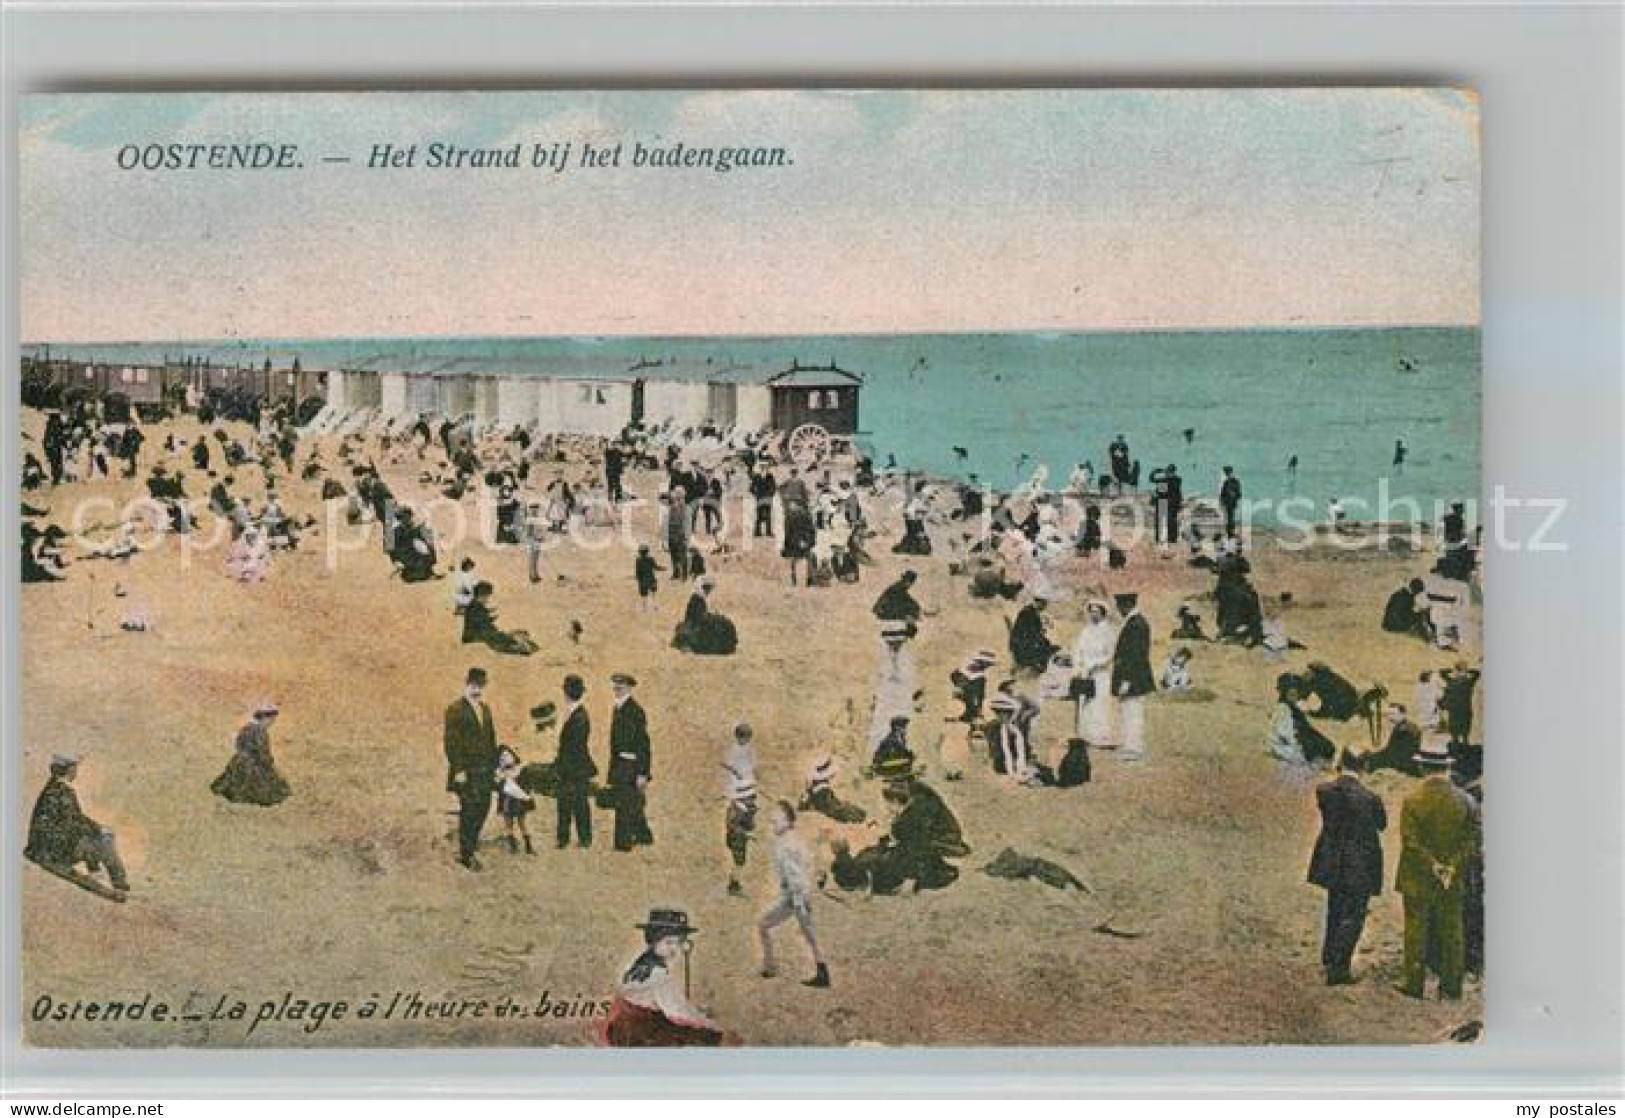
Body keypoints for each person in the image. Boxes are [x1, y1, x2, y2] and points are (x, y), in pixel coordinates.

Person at [1396, 740, 1479, 1000]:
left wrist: (1433, 865)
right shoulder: (1465, 801)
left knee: (1416, 930)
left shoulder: (1412, 800)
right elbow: (1473, 841)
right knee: (1453, 929)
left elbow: (1410, 842)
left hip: (1418, 876)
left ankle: (1414, 983)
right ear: (1446, 767)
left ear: (1422, 767)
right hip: (1453, 877)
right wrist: (1451, 866)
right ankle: (1451, 987)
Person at [832, 756, 970, 894]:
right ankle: (853, 870)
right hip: (927, 843)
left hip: (934, 847)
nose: (888, 785)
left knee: (881, 862)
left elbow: (910, 837)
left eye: (889, 781)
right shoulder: (917, 791)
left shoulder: (919, 803)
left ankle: (855, 874)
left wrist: (889, 837)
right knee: (874, 855)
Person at [1307, 762, 1387, 985]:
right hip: (1359, 863)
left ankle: (1329, 955)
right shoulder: (1370, 799)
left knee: (1334, 908)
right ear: (1364, 768)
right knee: (1353, 915)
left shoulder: (1325, 791)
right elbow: (1382, 824)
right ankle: (1339, 967)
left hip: (1332, 861)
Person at [603, 909, 728, 1047]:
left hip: (621, 1029)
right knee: (710, 1035)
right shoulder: (658, 975)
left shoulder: (637, 965)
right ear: (654, 941)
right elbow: (677, 1013)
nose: (674, 948)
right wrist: (707, 1022)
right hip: (642, 1036)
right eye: (668, 942)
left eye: (678, 942)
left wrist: (695, 1009)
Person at [24, 753, 130, 896]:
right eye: (75, 768)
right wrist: (99, 830)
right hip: (53, 851)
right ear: (70, 770)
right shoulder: (62, 791)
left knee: (97, 837)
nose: (76, 772)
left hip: (45, 846)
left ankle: (102, 874)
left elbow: (73, 819)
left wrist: (96, 829)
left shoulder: (53, 787)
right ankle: (118, 883)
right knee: (104, 840)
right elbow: (74, 822)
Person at [757, 801, 830, 988]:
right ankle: (770, 966)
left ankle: (822, 973)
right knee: (765, 925)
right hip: (794, 895)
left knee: (808, 933)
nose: (773, 820)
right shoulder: (790, 840)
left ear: (789, 821)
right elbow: (809, 862)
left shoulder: (787, 845)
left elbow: (795, 875)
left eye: (778, 818)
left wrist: (799, 900)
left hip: (796, 896)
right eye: (773, 819)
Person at [444, 667, 499, 871]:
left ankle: (471, 844)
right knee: (469, 810)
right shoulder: (455, 709)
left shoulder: (485, 709)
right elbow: (451, 742)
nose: (478, 689)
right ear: (467, 684)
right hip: (466, 771)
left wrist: (496, 766)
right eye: (474, 685)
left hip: (485, 771)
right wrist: (458, 769)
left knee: (484, 807)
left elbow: (492, 739)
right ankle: (466, 854)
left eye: (481, 686)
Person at [210, 701, 290, 806]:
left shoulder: (246, 728)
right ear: (265, 718)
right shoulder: (261, 731)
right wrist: (268, 763)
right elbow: (263, 752)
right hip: (255, 765)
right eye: (272, 720)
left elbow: (238, 744)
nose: (272, 723)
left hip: (238, 762)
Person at [608, 673, 654, 852]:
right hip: (620, 763)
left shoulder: (635, 710)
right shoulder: (618, 708)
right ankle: (643, 835)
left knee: (625, 802)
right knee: (630, 800)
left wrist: (643, 772)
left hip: (631, 765)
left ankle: (623, 842)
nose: (617, 689)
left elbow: (644, 744)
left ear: (629, 688)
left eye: (621, 686)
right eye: (615, 686)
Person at [553, 674, 596, 849]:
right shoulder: (576, 713)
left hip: (574, 768)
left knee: (575, 803)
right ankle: (570, 838)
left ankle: (580, 839)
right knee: (570, 803)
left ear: (567, 693)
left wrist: (561, 765)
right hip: (574, 766)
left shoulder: (579, 716)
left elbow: (573, 747)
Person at [1110, 593, 1154, 761]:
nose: (1118, 610)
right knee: (1129, 712)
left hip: (1133, 678)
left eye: (1119, 607)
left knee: (1132, 713)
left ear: (1125, 605)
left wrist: (1126, 681)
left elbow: (1134, 656)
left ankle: (1134, 748)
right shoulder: (1135, 622)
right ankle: (1130, 745)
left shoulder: (1136, 624)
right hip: (1133, 677)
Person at [1071, 599, 1117, 744]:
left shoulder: (1108, 631)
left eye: (1096, 611)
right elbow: (1077, 650)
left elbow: (1110, 655)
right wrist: (1078, 666)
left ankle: (1100, 736)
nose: (1093, 614)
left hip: (1100, 674)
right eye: (1091, 611)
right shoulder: (1086, 631)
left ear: (1103, 613)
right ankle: (1084, 735)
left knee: (1099, 704)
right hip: (1084, 672)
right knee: (1084, 703)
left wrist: (1094, 664)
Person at [721, 723, 759, 896]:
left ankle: (735, 881)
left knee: (740, 857)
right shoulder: (733, 751)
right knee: (739, 859)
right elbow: (726, 763)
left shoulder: (749, 751)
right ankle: (734, 884)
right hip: (738, 825)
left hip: (741, 789)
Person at [1268, 679, 1337, 767]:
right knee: (1312, 751)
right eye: (1291, 694)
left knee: (1328, 747)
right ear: (1284, 693)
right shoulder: (1283, 709)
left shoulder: (1292, 705)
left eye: (1296, 694)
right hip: (1288, 741)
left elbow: (1305, 725)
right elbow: (1285, 734)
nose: (1295, 697)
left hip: (1298, 734)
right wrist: (1300, 746)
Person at [1341, 704, 1423, 777]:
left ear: (1402, 714)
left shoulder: (1403, 729)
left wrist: (1373, 755)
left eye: (1393, 714)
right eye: (1389, 714)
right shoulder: (1411, 726)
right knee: (1369, 756)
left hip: (1401, 761)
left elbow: (1392, 751)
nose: (1390, 716)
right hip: (1406, 757)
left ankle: (1361, 774)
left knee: (1368, 759)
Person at [462, 581, 539, 656]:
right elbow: (483, 628)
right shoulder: (476, 608)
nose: (487, 599)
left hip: (478, 634)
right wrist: (504, 635)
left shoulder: (475, 605)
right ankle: (520, 647)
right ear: (482, 595)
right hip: (474, 637)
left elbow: (482, 622)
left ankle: (520, 645)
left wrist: (491, 620)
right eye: (487, 596)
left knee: (510, 635)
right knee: (504, 639)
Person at [673, 578, 739, 656]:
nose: (708, 591)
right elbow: (695, 616)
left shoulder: (700, 599)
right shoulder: (696, 599)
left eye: (708, 589)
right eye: (706, 588)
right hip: (695, 626)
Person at [494, 742, 537, 855]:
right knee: (521, 823)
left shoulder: (501, 773)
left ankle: (514, 846)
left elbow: (499, 780)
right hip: (516, 799)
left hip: (508, 799)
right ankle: (527, 846)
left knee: (510, 823)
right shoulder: (517, 770)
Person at [799, 754, 866, 823]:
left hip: (825, 800)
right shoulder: (821, 789)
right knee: (847, 811)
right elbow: (829, 806)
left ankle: (855, 813)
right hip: (826, 803)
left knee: (846, 808)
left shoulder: (814, 787)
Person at [1008, 596, 1059, 674]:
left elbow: (1034, 632)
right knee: (1051, 650)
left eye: (1045, 604)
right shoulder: (1028, 613)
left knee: (1050, 648)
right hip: (1022, 647)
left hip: (1024, 644)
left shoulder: (1030, 612)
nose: (1045, 607)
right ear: (1037, 603)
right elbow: (1032, 634)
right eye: (1043, 604)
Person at [1439, 662, 1481, 749]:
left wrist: (1453, 670)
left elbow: (1442, 672)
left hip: (1454, 711)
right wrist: (1466, 670)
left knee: (1455, 736)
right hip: (1465, 711)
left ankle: (1456, 751)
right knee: (1465, 736)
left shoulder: (1452, 681)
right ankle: (1464, 754)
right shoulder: (1469, 682)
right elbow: (1477, 673)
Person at [948, 650, 996, 724]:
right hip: (968, 698)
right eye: (987, 664)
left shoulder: (964, 671)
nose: (987, 667)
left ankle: (971, 715)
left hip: (967, 698)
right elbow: (979, 695)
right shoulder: (978, 677)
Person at [634, 544, 663, 612]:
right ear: (647, 551)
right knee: (654, 593)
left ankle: (645, 608)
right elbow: (656, 567)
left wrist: (638, 579)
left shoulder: (638, 560)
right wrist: (662, 568)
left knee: (644, 595)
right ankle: (655, 606)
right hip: (651, 578)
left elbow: (637, 571)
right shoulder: (651, 559)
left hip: (643, 580)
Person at [1219, 466, 1243, 537]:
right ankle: (1229, 532)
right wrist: (1222, 500)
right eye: (1226, 473)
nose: (1227, 474)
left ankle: (1230, 532)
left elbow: (1239, 494)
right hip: (1228, 503)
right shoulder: (1227, 482)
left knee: (1230, 518)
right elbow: (1222, 494)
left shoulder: (1234, 482)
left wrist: (1233, 495)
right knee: (1229, 518)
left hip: (1231, 503)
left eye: (1227, 473)